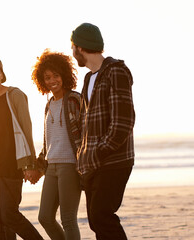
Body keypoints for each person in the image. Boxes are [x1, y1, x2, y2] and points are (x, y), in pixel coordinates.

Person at [71, 23, 136, 240]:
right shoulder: (89, 78)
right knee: (96, 221)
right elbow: (85, 123)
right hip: (92, 163)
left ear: (80, 47)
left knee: (101, 216)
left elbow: (123, 122)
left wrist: (99, 151)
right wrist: (83, 153)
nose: (73, 53)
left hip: (114, 160)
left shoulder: (115, 71)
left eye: (72, 47)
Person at [0, 55, 43, 240]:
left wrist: (29, 165)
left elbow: (26, 130)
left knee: (9, 215)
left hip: (12, 168)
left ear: (2, 74)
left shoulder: (14, 95)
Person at [31, 49, 82, 240]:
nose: (52, 80)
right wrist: (38, 166)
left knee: (68, 219)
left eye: (56, 75)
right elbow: (48, 142)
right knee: (44, 217)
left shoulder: (75, 99)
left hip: (70, 165)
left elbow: (85, 135)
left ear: (64, 75)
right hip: (51, 167)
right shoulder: (49, 105)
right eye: (47, 77)